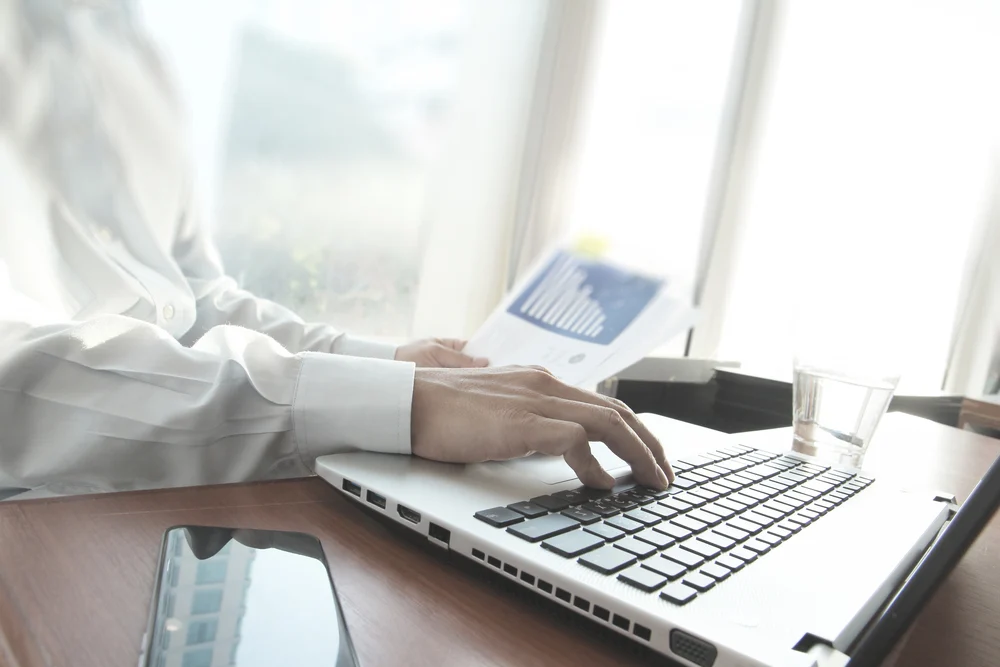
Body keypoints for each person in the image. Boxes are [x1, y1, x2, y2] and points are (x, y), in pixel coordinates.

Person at [0, 0, 672, 500]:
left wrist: (395, 364)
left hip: (159, 495)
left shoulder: (125, 49)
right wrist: (404, 405)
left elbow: (190, 295)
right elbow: (16, 388)